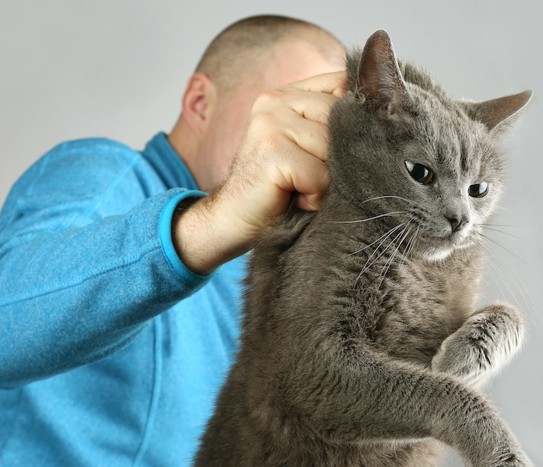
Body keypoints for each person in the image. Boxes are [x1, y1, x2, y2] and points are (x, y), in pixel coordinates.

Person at [0, 15, 347, 465]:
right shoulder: (107, 177)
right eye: (294, 111)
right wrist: (219, 218)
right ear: (199, 102)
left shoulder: (259, 270)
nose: (312, 144)